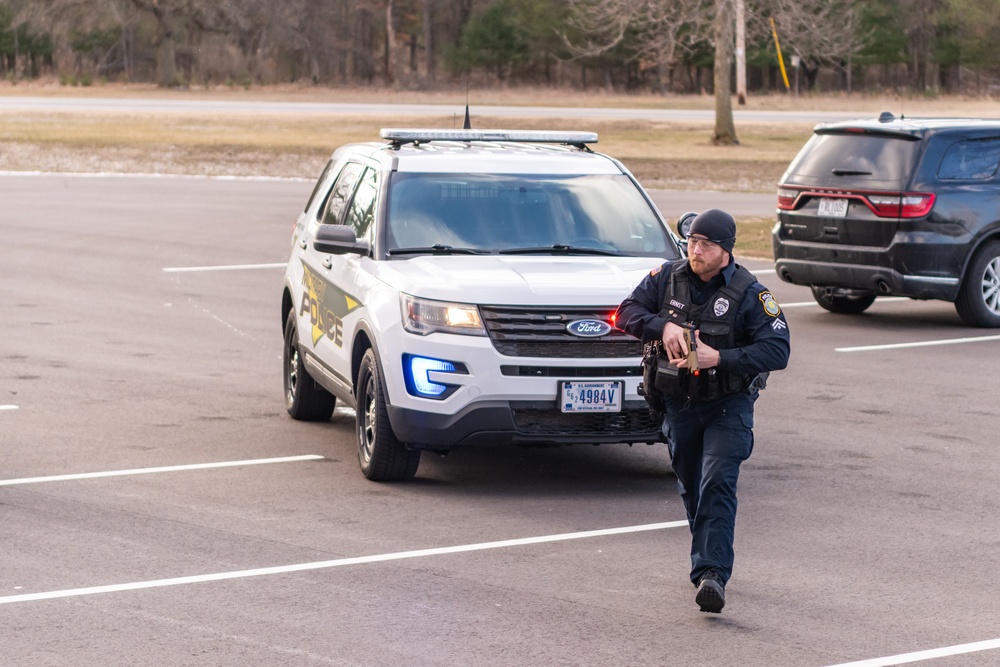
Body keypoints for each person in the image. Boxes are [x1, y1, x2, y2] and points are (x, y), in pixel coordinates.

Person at [615, 209, 790, 614]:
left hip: (728, 406)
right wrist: (664, 327)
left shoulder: (750, 294)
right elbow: (625, 312)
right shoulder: (666, 278)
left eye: (706, 244)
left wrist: (721, 358)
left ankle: (712, 574)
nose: (696, 249)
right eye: (693, 241)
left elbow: (778, 350)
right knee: (694, 486)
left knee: (717, 483)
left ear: (725, 249)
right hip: (679, 403)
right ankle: (708, 557)